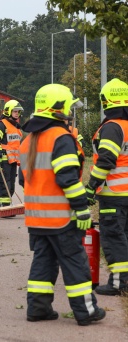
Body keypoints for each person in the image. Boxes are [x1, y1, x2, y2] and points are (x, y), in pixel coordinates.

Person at [19, 83, 105, 326]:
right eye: (68, 107)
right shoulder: (61, 138)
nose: (70, 112)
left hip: (36, 219)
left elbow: (23, 180)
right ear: (59, 108)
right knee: (75, 263)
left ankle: (38, 309)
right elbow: (67, 179)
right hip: (61, 218)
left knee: (43, 263)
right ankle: (86, 311)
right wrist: (81, 209)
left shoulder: (29, 140)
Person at [85, 78, 128, 296]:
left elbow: (106, 161)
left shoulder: (112, 127)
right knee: (125, 237)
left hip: (114, 194)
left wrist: (91, 187)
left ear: (106, 101)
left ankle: (119, 284)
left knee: (114, 238)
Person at [0, 100, 23, 208]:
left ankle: (6, 205)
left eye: (18, 112)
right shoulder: (1, 125)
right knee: (4, 184)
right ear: (8, 111)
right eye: (15, 111)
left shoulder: (16, 126)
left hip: (13, 161)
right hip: (3, 160)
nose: (17, 113)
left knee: (11, 186)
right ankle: (3, 206)